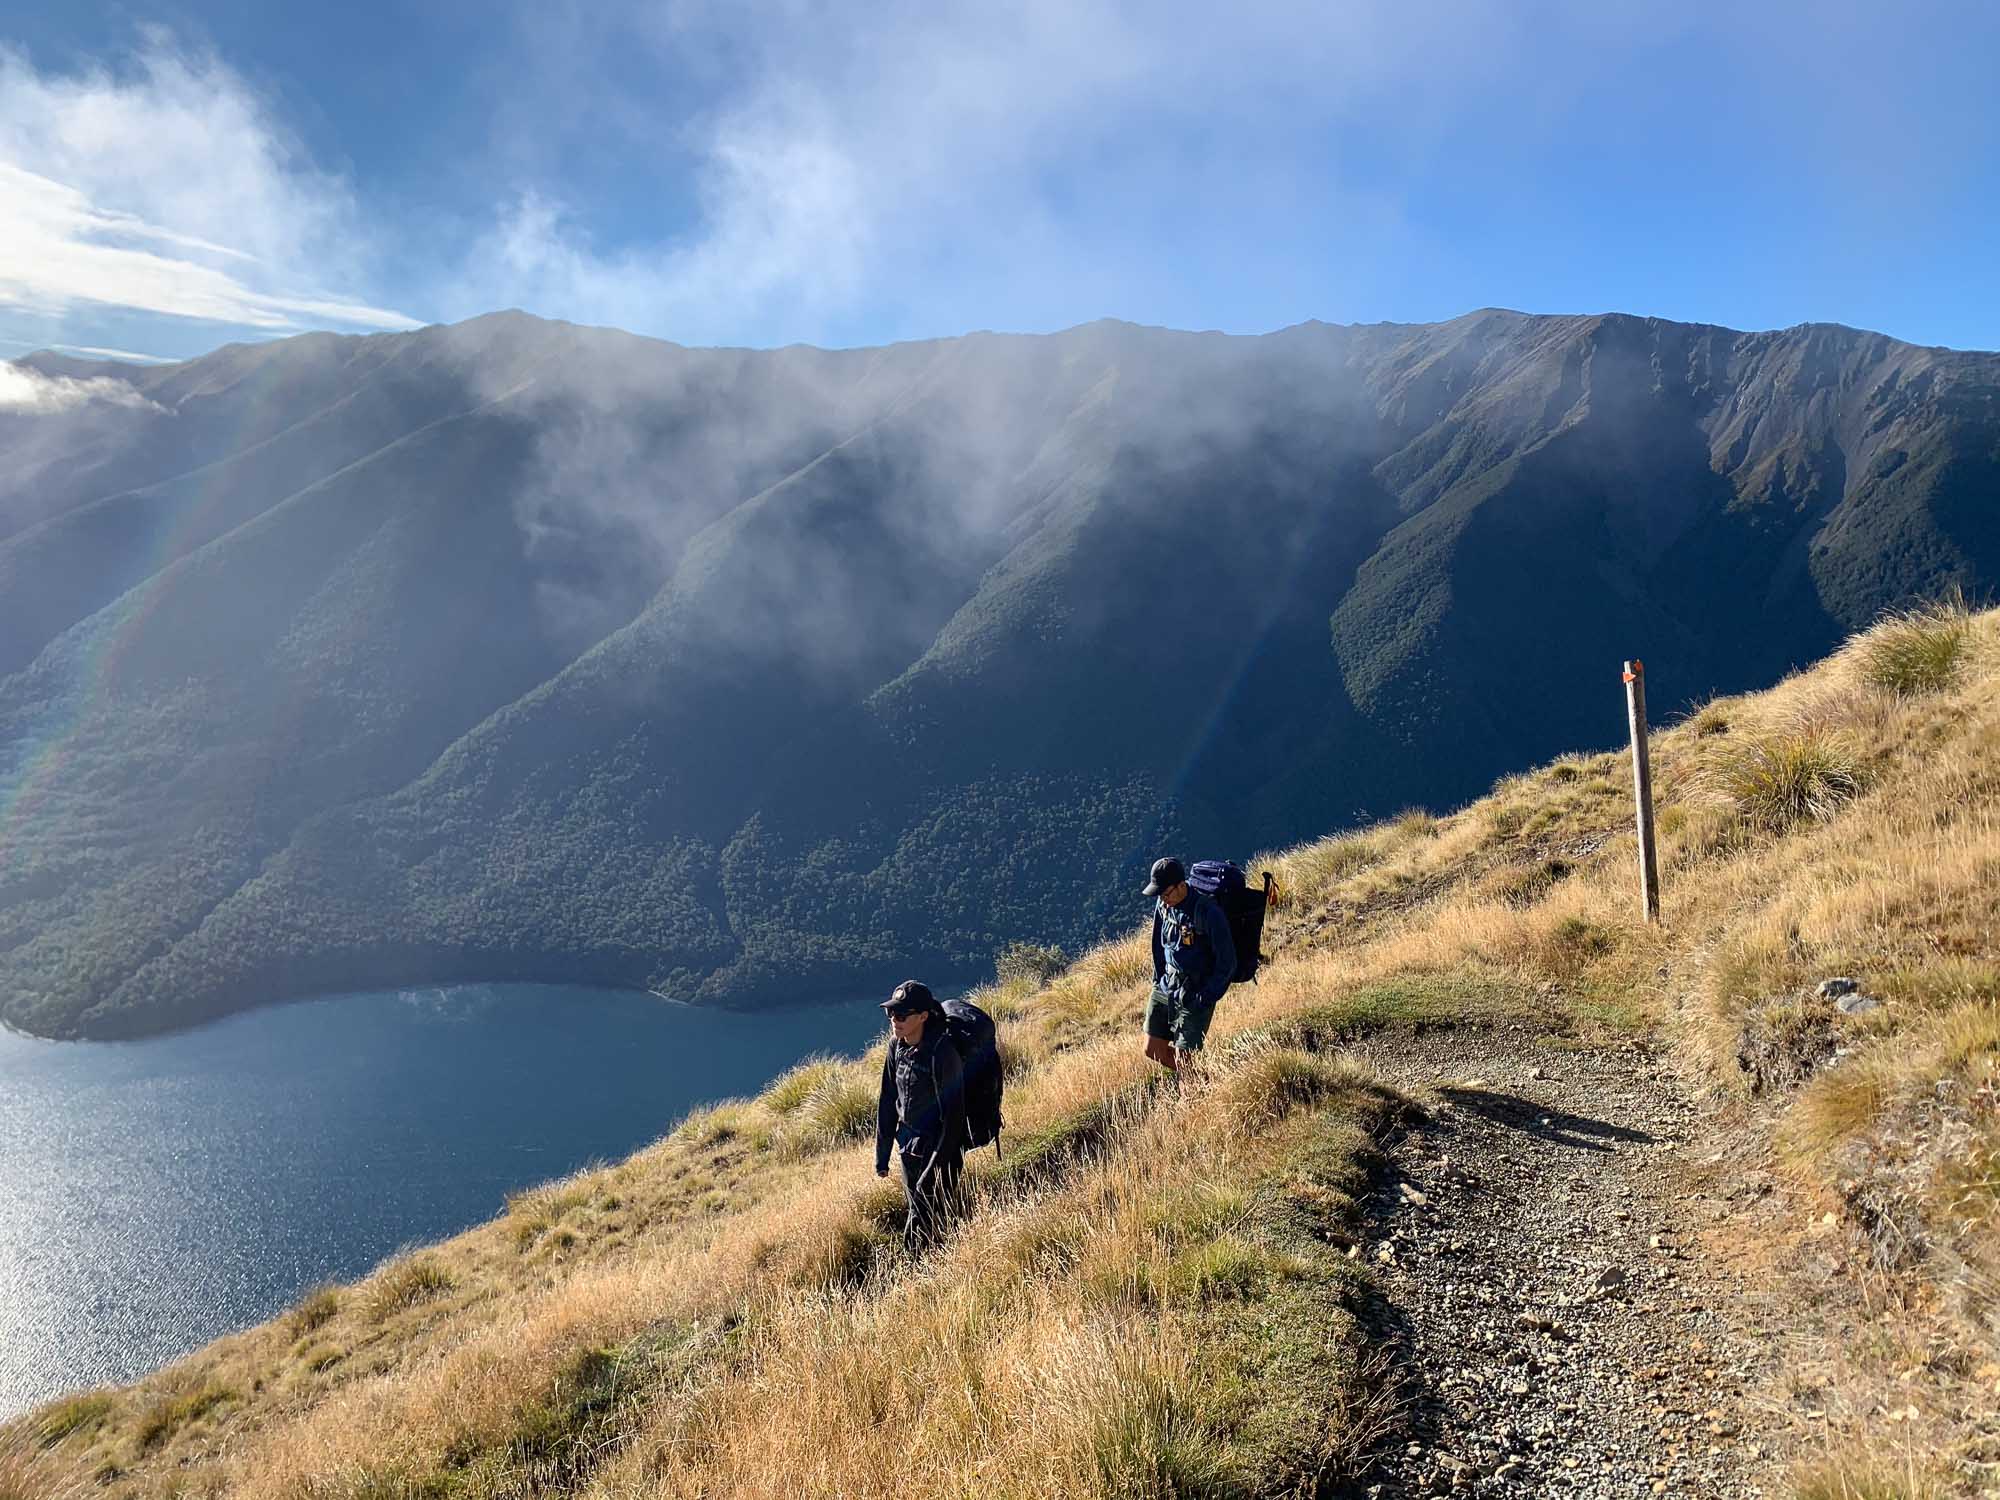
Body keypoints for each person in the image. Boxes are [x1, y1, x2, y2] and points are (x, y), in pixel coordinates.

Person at [873, 979, 967, 1253]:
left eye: (901, 1015)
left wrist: (933, 1169)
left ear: (923, 1016)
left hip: (940, 1149)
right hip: (908, 1147)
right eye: (890, 1013)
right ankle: (924, 1264)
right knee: (919, 1210)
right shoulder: (896, 1047)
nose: (894, 1020)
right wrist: (881, 1156)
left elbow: (954, 1120)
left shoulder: (942, 1054)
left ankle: (919, 1265)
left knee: (930, 1213)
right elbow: (888, 1100)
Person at [1142, 856, 1236, 1072]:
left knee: (1185, 1059)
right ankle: (1204, 1081)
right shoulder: (1164, 904)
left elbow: (1228, 962)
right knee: (1152, 1049)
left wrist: (1206, 996)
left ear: (1181, 886)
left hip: (1195, 993)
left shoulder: (1208, 913)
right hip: (1166, 985)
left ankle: (1193, 1095)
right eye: (1159, 895)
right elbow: (1157, 942)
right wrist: (1158, 977)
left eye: (1166, 894)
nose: (1162, 900)